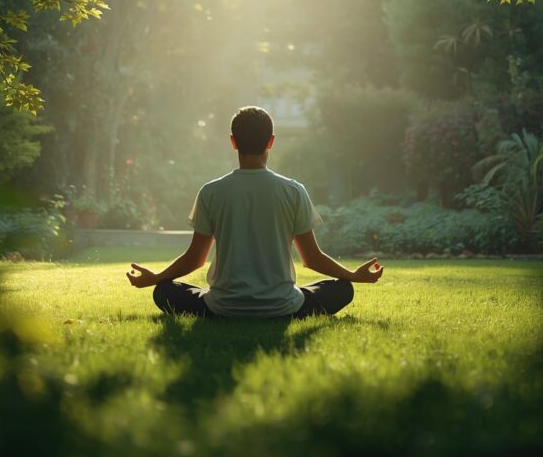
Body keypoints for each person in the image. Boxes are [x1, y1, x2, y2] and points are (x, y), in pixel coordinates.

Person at [127, 105, 383, 318]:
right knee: (342, 288)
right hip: (283, 306)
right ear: (271, 141)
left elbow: (195, 258)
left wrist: (156, 277)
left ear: (233, 142)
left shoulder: (211, 191)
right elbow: (312, 259)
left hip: (222, 307)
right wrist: (352, 275)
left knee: (164, 291)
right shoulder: (294, 191)